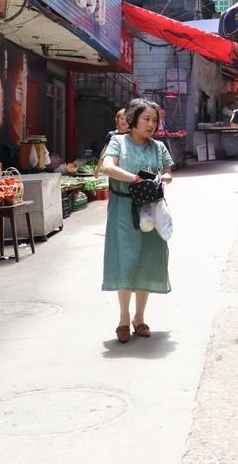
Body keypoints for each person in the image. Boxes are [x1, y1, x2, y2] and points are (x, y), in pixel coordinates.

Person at [101, 98, 174, 344]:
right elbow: (107, 167)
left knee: (147, 259)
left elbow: (167, 171)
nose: (151, 124)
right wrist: (135, 179)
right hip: (123, 208)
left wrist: (163, 177)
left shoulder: (158, 147)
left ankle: (139, 318)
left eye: (155, 120)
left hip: (151, 208)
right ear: (132, 120)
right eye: (146, 119)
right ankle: (123, 319)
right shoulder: (118, 141)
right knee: (127, 260)